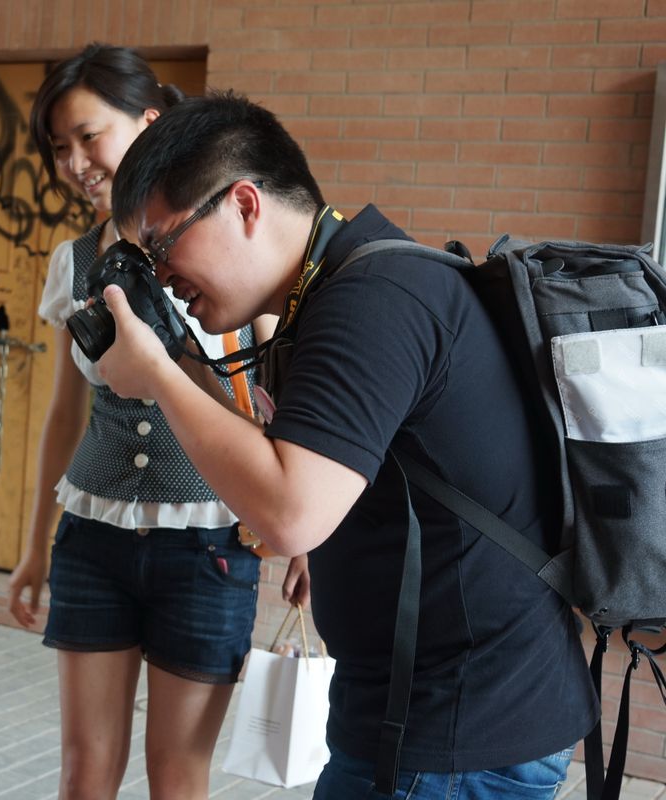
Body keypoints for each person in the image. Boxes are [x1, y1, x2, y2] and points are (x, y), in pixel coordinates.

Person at [97, 92, 599, 799]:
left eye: (160, 244)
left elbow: (290, 512)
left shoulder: (373, 299)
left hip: (453, 736)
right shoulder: (334, 291)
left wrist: (154, 372)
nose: (163, 279)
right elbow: (297, 489)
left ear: (244, 203)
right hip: (432, 719)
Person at [6, 44, 278, 800]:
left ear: (149, 122)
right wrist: (35, 548)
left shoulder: (227, 245)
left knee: (176, 777)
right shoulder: (72, 261)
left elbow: (275, 401)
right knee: (84, 773)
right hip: (91, 537)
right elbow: (65, 414)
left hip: (209, 541)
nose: (74, 160)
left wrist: (309, 541)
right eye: (59, 147)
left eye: (88, 135)